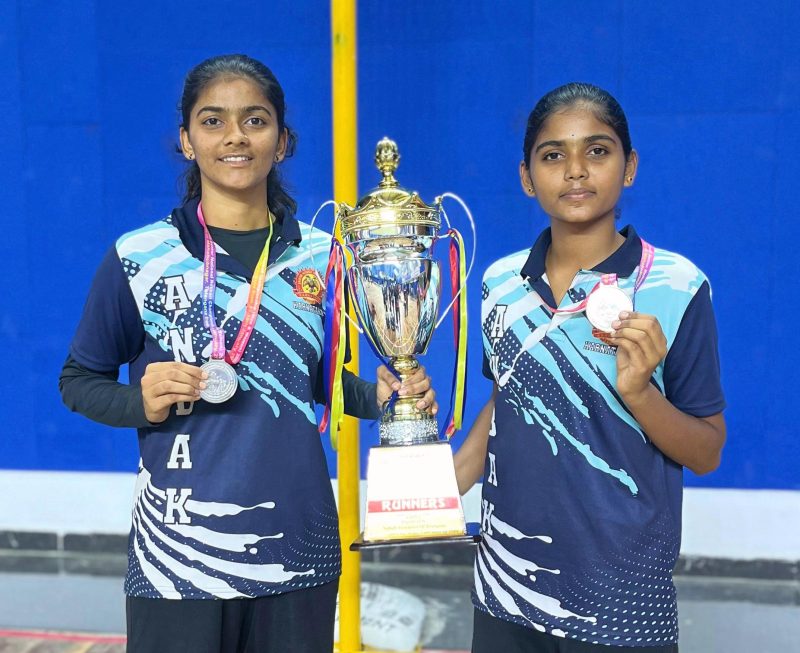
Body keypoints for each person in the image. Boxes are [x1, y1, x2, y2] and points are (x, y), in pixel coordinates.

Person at [59, 54, 437, 653]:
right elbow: (79, 379)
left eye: (255, 120)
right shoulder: (140, 256)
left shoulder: (324, 256)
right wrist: (140, 403)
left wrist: (383, 396)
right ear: (187, 140)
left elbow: (317, 381)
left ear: (282, 142)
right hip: (176, 559)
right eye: (213, 121)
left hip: (297, 552)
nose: (235, 136)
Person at [454, 82, 725, 652]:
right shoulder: (501, 282)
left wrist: (641, 394)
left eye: (597, 151)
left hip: (621, 599)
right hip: (507, 584)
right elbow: (508, 398)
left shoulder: (676, 285)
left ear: (630, 167)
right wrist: (435, 490)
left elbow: (706, 452)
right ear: (527, 177)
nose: (575, 170)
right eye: (553, 155)